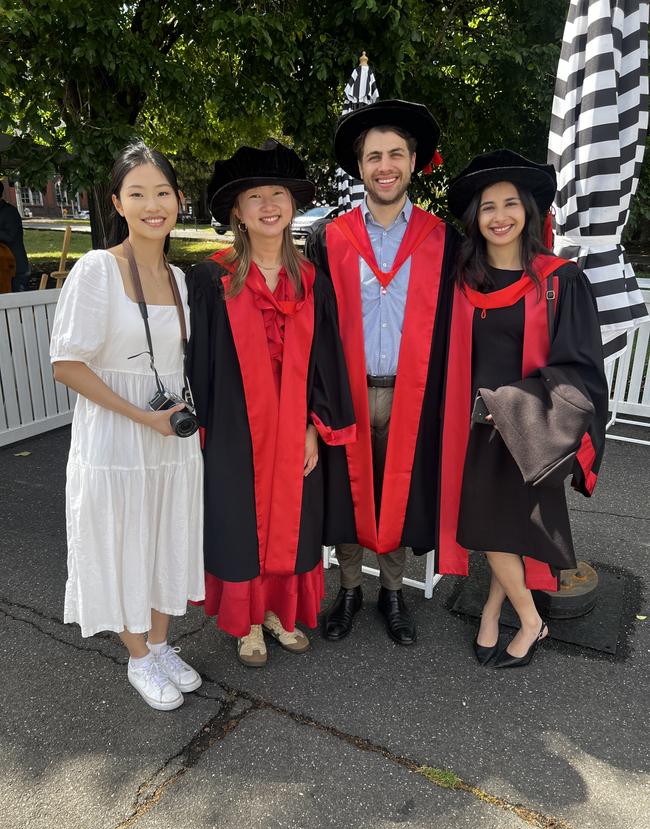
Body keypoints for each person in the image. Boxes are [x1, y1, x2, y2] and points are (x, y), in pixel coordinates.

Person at [186, 140, 356, 667]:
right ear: (236, 211)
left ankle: (280, 613)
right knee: (240, 521)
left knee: (295, 522)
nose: (267, 205)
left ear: (292, 204)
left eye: (277, 193)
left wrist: (314, 427)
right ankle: (248, 623)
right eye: (253, 196)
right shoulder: (211, 279)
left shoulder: (312, 281)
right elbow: (196, 366)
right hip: (236, 430)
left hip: (294, 429)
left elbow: (327, 362)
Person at [50, 141, 204, 709]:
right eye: (137, 194)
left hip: (172, 436)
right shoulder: (97, 270)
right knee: (121, 539)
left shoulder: (181, 280)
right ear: (118, 202)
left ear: (179, 199)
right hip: (120, 434)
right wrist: (143, 417)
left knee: (167, 533)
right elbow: (66, 363)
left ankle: (161, 643)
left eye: (162, 192)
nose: (152, 205)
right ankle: (138, 655)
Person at [439, 149, 608, 668]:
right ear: (475, 218)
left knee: (501, 528)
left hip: (530, 424)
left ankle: (528, 620)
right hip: (474, 426)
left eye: (511, 204)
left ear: (529, 212)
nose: (500, 216)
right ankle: (499, 615)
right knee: (494, 528)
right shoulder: (463, 281)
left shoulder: (559, 281)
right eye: (488, 207)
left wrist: (513, 405)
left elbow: (580, 366)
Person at [306, 99, 458, 645]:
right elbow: (315, 325)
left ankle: (392, 591)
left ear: (414, 161)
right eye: (374, 156)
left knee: (400, 490)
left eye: (396, 153)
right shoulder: (330, 237)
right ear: (361, 166)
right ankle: (349, 590)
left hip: (412, 395)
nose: (385, 165)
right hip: (347, 393)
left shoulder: (445, 242)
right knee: (347, 495)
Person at [0, 180, 30, 291]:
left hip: (16, 268)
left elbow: (10, 236)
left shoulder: (10, 212)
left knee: (19, 301)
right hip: (3, 269)